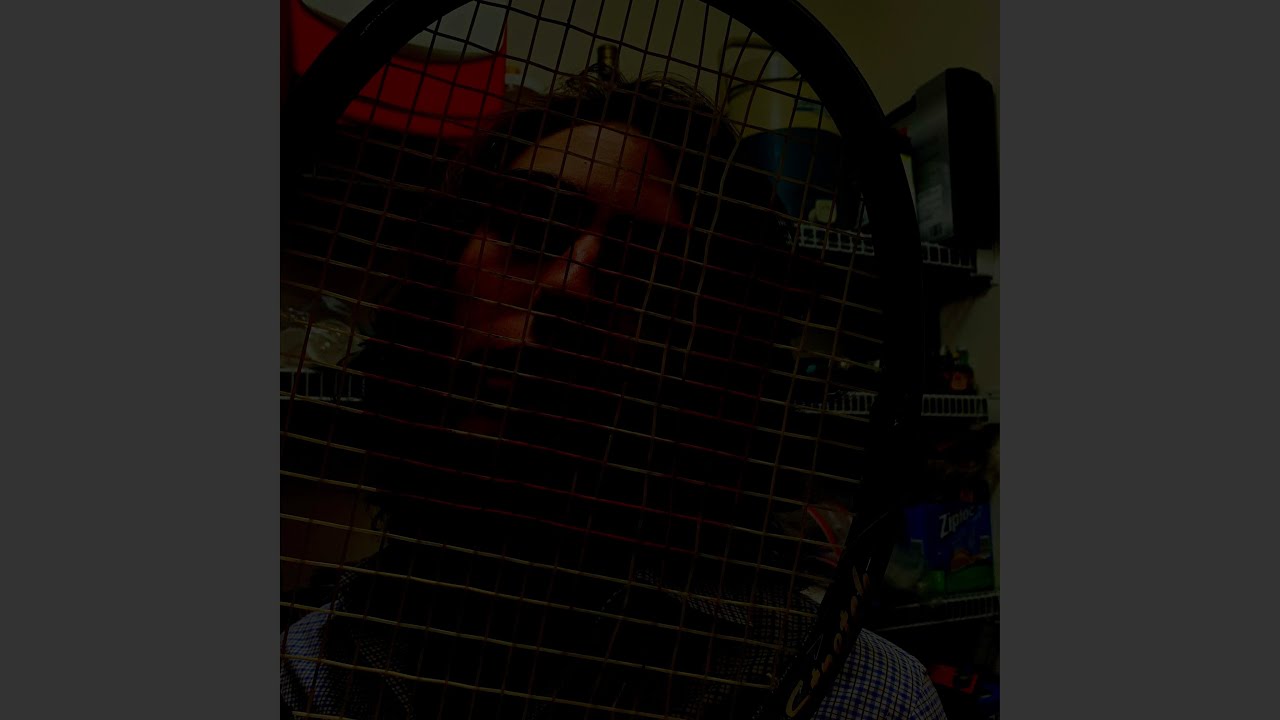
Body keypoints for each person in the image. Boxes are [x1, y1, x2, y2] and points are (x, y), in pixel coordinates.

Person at [281, 71, 946, 720]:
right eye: (530, 223)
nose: (572, 284)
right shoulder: (310, 672)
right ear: (437, 283)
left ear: (714, 364)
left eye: (645, 270)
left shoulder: (864, 699)